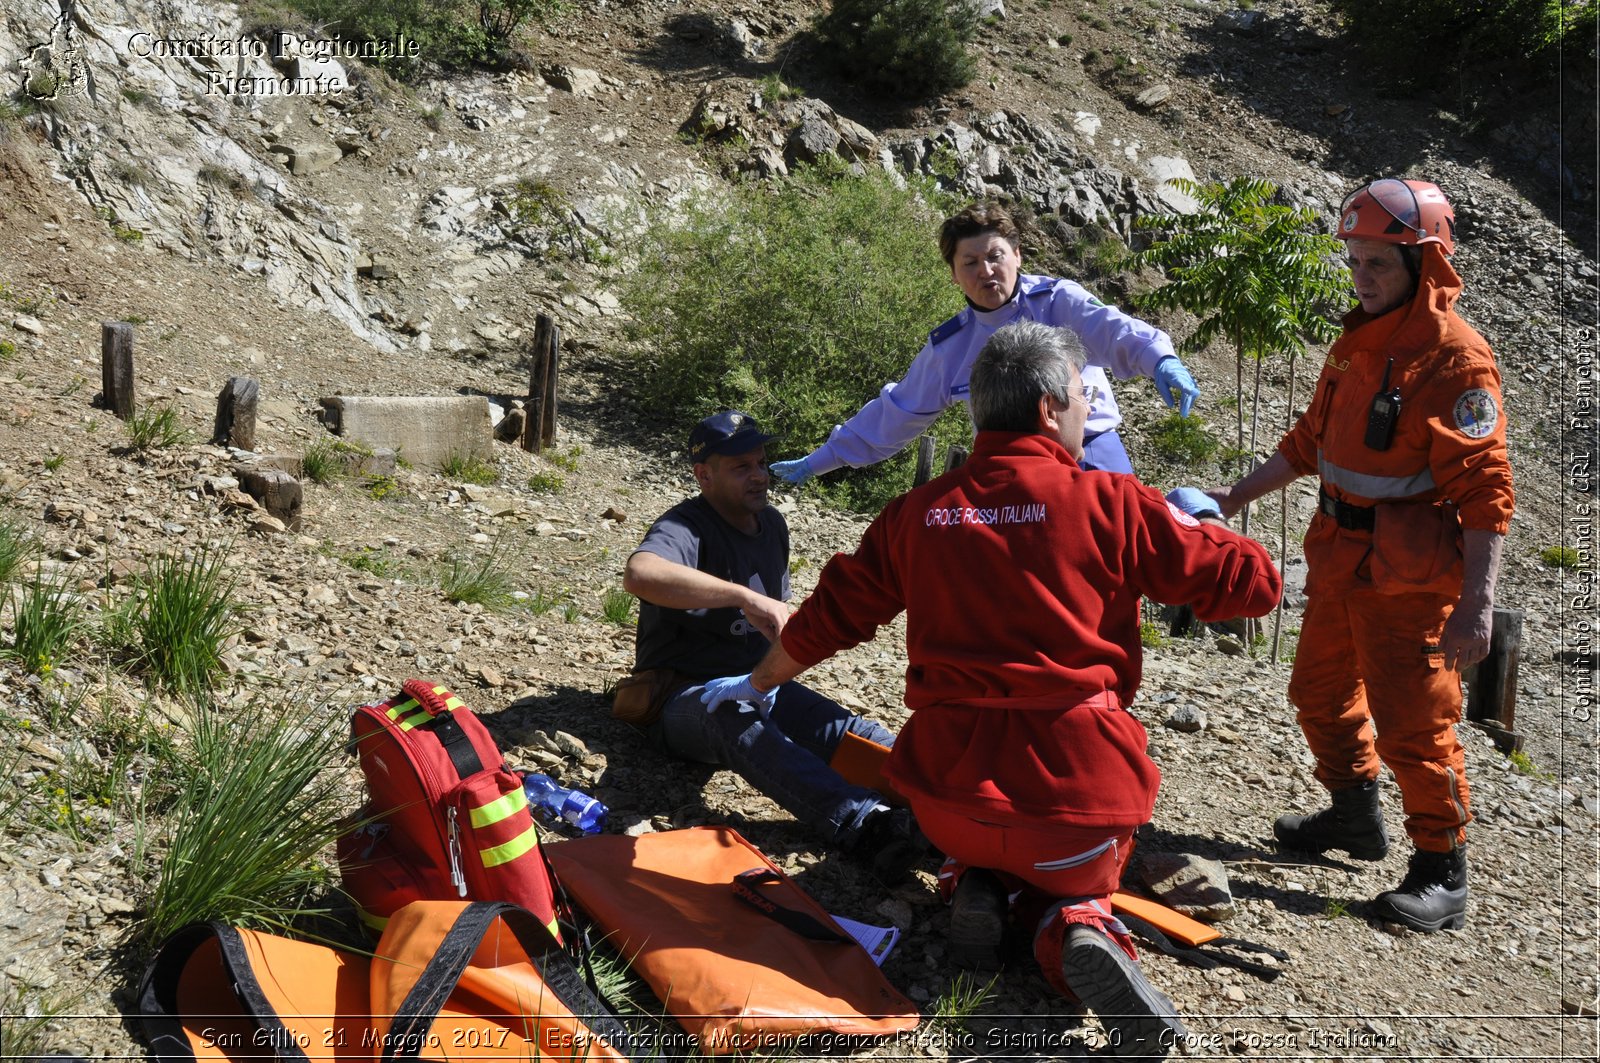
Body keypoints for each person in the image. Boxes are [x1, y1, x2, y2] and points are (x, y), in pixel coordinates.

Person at [703, 323, 1281, 1056]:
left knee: (978, 836)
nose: (1085, 416)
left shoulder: (918, 512)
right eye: (1083, 400)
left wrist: (753, 684)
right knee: (1073, 885)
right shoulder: (1115, 502)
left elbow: (827, 620)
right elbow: (1254, 586)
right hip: (1079, 804)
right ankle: (1069, 926)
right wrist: (1196, 517)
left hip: (950, 798)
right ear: (1048, 408)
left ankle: (974, 881)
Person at [1202, 179, 1515, 933]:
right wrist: (1231, 499)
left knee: (1417, 724)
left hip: (1409, 580)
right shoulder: (1356, 341)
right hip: (1340, 560)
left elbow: (1487, 491)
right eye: (1355, 261)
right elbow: (1309, 442)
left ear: (1423, 261)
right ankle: (1353, 816)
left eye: (1377, 263)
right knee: (1316, 692)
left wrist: (1476, 603)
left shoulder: (1456, 361)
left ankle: (1442, 868)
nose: (1360, 277)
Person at [620, 409, 924, 880]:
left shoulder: (772, 525)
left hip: (756, 681)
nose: (759, 475)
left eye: (761, 463)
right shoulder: (685, 526)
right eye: (741, 467)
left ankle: (945, 801)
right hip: (680, 696)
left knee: (848, 731)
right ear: (704, 474)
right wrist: (741, 597)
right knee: (728, 714)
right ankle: (863, 822)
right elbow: (640, 574)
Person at [769, 201, 1200, 481]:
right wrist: (819, 461)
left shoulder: (1059, 302)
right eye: (970, 262)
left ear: (1017, 256)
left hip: (1093, 453)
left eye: (995, 256)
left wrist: (1160, 358)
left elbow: (1114, 328)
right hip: (1011, 473)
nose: (985, 271)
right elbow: (895, 414)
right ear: (954, 274)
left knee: (1119, 558)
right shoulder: (950, 347)